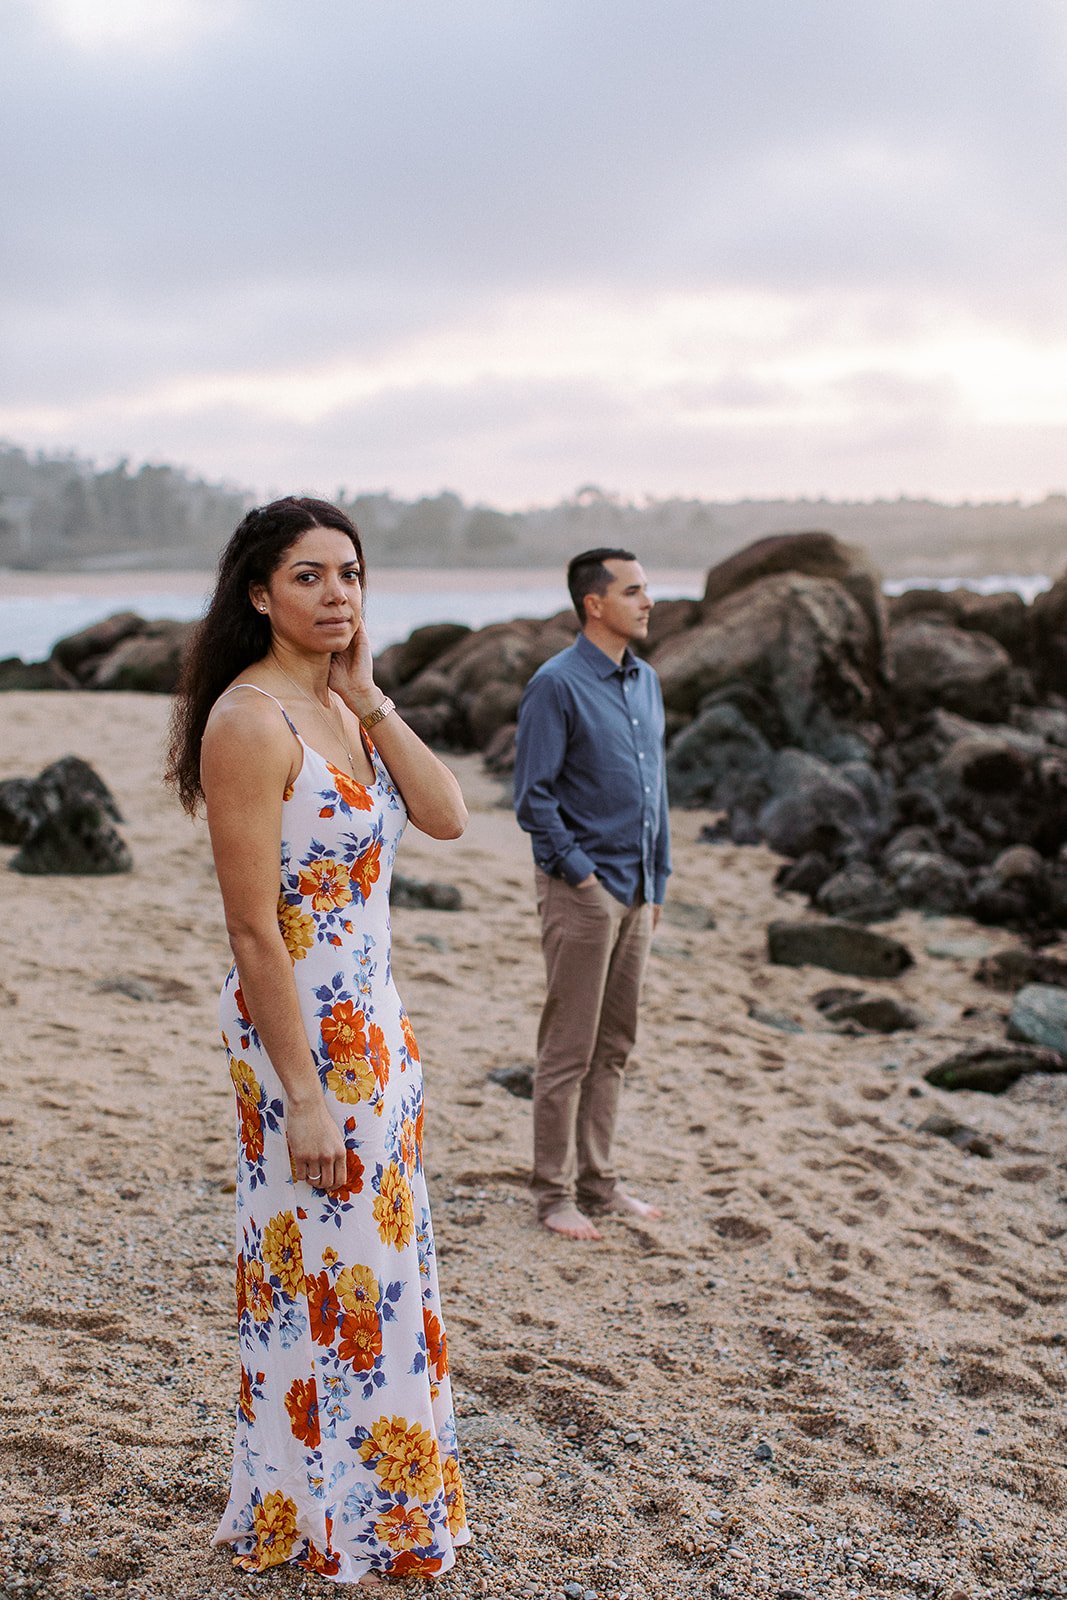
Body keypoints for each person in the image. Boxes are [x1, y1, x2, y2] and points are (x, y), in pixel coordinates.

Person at [166, 497, 470, 1585]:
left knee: (379, 1268)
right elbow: (251, 925)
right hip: (303, 1037)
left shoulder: (341, 709)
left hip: (376, 1026)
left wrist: (371, 699)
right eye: (309, 576)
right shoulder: (249, 722)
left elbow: (444, 816)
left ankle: (377, 1508)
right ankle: (317, 1513)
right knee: (321, 1272)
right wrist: (299, 1090)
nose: (337, 593)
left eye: (349, 574)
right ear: (259, 593)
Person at [513, 547, 671, 1242]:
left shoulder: (647, 682)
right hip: (584, 893)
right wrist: (581, 878)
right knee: (568, 1050)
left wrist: (656, 882)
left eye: (646, 590)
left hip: (639, 890)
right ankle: (552, 1196)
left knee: (615, 1046)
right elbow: (533, 799)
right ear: (594, 604)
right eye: (633, 591)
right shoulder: (556, 684)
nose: (647, 602)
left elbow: (655, 792)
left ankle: (599, 1182)